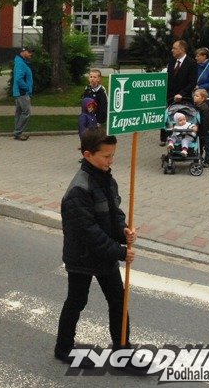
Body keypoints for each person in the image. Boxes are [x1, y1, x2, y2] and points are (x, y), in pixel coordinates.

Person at [55, 126, 137, 370]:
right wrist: (120, 252)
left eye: (113, 155)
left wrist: (124, 230)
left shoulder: (106, 178)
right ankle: (63, 348)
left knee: (118, 300)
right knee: (77, 300)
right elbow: (89, 233)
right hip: (82, 257)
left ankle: (122, 350)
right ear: (88, 155)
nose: (111, 161)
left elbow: (114, 212)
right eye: (106, 156)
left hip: (104, 255)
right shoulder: (79, 190)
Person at [161, 40, 197, 145]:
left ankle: (185, 137)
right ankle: (165, 137)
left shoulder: (191, 63)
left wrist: (181, 93)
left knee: (183, 116)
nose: (172, 50)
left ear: (182, 49)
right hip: (170, 96)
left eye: (174, 48)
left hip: (184, 97)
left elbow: (192, 82)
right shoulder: (172, 61)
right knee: (168, 116)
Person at [12, 47, 34, 140]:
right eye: (29, 52)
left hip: (19, 92)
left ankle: (17, 133)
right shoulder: (21, 63)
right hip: (22, 92)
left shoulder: (21, 62)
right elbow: (19, 79)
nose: (31, 54)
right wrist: (27, 88)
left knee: (19, 112)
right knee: (26, 112)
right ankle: (18, 132)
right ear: (23, 52)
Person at [193, 88, 209, 168]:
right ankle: (199, 158)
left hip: (206, 130)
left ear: (202, 98)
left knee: (206, 145)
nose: (194, 97)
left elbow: (205, 123)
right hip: (200, 130)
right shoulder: (196, 106)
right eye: (194, 95)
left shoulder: (205, 109)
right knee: (199, 145)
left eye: (197, 96)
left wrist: (202, 132)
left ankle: (207, 161)